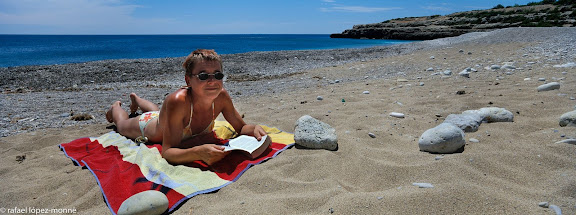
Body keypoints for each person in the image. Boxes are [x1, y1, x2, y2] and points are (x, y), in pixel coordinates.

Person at [106, 49, 267, 165]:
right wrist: (197, 153)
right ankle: (115, 107)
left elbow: (241, 127)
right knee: (121, 125)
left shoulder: (221, 96)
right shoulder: (177, 101)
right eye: (203, 76)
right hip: (148, 126)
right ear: (188, 81)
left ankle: (137, 99)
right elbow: (167, 152)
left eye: (217, 75)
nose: (212, 81)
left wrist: (253, 128)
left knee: (155, 111)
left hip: (163, 117)